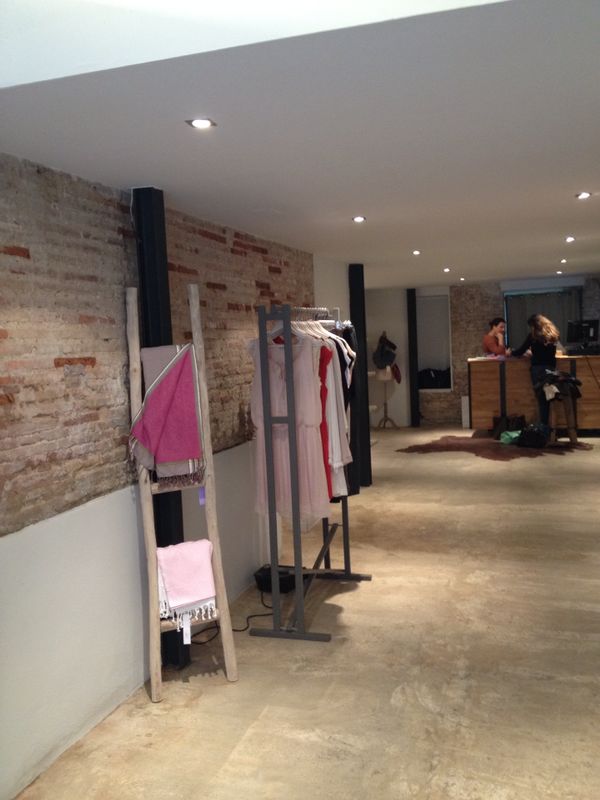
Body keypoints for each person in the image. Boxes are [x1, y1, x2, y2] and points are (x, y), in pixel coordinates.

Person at [511, 313, 559, 425]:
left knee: (542, 399)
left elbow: (520, 351)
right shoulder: (553, 335)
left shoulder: (533, 336)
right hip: (550, 370)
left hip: (538, 371)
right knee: (549, 398)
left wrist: (511, 352)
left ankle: (543, 427)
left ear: (534, 325)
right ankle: (550, 427)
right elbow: (549, 352)